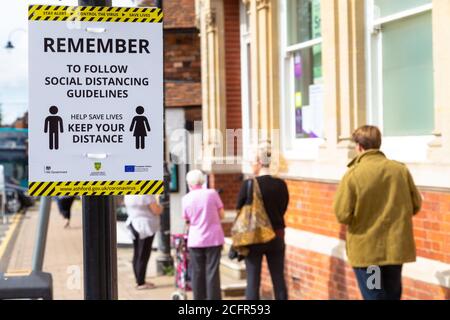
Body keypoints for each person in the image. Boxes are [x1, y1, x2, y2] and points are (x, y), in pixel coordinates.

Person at [333, 125, 422, 300]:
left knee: (375, 297)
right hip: (395, 251)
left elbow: (342, 214)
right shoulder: (400, 170)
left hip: (370, 255)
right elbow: (416, 205)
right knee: (391, 296)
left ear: (359, 146)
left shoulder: (353, 175)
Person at [236, 147, 289, 300]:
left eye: (253, 161)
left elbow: (239, 209)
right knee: (278, 279)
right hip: (276, 235)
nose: (252, 165)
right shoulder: (281, 184)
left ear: (259, 162)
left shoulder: (249, 185)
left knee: (253, 281)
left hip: (254, 237)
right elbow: (283, 208)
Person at [182, 169, 225, 300]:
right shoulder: (212, 194)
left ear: (188, 182)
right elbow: (222, 215)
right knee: (212, 271)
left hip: (195, 239)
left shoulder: (186, 198)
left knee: (197, 272)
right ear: (203, 180)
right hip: (214, 238)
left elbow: (186, 220)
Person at [124, 195, 163, 290]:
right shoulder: (146, 194)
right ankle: (141, 282)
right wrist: (161, 206)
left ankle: (139, 280)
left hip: (133, 223)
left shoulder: (128, 194)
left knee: (137, 253)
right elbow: (156, 210)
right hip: (145, 227)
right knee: (144, 254)